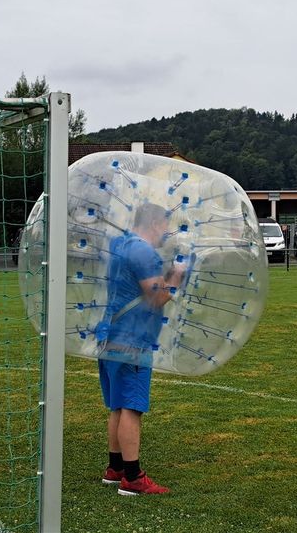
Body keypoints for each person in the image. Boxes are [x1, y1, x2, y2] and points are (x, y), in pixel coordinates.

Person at [98, 203, 185, 496]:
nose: (167, 233)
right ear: (154, 222)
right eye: (165, 226)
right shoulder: (143, 251)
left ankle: (115, 468)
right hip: (132, 340)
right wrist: (177, 276)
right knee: (132, 407)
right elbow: (156, 298)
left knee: (118, 405)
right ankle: (133, 478)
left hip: (110, 334)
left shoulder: (120, 244)